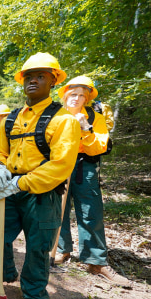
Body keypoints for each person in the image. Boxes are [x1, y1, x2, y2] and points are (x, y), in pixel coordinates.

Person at [0, 52, 80, 299]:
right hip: (7, 189)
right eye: (28, 76)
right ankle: (3, 272)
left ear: (53, 80)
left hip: (42, 193)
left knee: (38, 247)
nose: (33, 81)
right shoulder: (10, 119)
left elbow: (60, 166)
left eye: (40, 76)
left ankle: (36, 297)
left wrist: (20, 183)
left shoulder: (64, 121)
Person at [54, 76, 131, 286]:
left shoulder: (94, 117)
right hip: (59, 164)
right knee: (58, 208)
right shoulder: (56, 115)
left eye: (81, 95)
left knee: (91, 211)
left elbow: (100, 147)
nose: (76, 98)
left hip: (85, 166)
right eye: (72, 93)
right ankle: (62, 250)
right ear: (65, 95)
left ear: (87, 98)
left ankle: (96, 261)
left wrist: (86, 128)